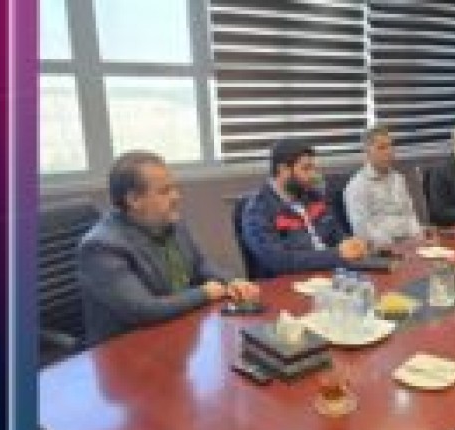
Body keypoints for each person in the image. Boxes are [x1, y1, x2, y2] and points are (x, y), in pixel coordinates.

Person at [78, 150, 259, 345]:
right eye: (165, 191)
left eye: (174, 188)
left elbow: (200, 265)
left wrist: (231, 282)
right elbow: (143, 310)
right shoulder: (101, 247)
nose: (176, 196)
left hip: (176, 331)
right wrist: (205, 293)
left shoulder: (170, 223)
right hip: (126, 347)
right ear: (134, 200)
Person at [240, 139, 368, 277]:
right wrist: (336, 255)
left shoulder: (314, 197)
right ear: (283, 170)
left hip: (333, 275)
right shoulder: (257, 211)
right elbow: (279, 261)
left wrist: (353, 245)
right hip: (291, 282)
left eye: (313, 168)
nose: (313, 175)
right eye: (306, 169)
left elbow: (337, 234)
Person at [343, 126, 422, 248]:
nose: (389, 152)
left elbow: (410, 214)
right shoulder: (357, 187)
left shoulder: (399, 178)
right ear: (367, 153)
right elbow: (363, 232)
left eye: (390, 146)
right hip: (383, 249)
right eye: (381, 147)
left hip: (410, 243)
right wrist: (395, 245)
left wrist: (418, 236)